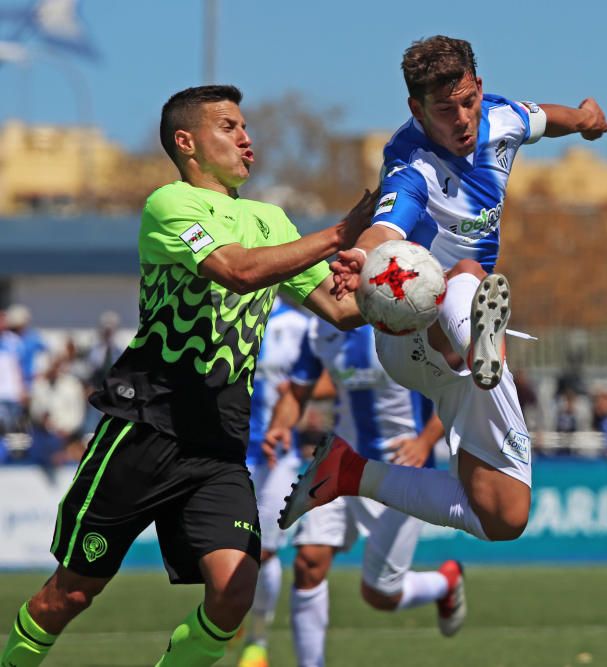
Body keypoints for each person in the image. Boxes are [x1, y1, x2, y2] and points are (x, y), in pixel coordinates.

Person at [0, 84, 375, 667]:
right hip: (146, 430)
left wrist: (407, 290)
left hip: (219, 444)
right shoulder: (169, 205)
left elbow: (343, 310)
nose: (246, 138)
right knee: (71, 593)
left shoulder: (272, 219)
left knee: (234, 592)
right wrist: (337, 234)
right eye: (229, 126)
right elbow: (237, 271)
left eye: (246, 127)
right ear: (187, 142)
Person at [279, 35, 607, 547]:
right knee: (465, 275)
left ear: (480, 87)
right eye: (443, 110)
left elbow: (547, 118)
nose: (460, 119)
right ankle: (475, 341)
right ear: (416, 108)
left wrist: (588, 119)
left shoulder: (501, 119)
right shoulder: (410, 163)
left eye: (467, 102)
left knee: (504, 517)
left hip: (471, 351)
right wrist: (362, 257)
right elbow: (388, 226)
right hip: (411, 333)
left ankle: (349, 473)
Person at [266, 318, 464, 667]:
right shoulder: (320, 327)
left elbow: (455, 389)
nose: (336, 269)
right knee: (308, 562)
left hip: (402, 471)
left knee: (380, 594)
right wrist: (281, 426)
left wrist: (424, 442)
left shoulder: (406, 315)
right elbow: (297, 393)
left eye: (345, 262)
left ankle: (445, 582)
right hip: (340, 463)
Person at [236, 297, 310, 667]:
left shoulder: (296, 325)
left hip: (277, 456)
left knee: (263, 551)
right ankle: (227, 611)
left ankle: (258, 639)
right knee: (223, 547)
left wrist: (293, 407)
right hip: (228, 452)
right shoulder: (225, 320)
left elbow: (319, 379)